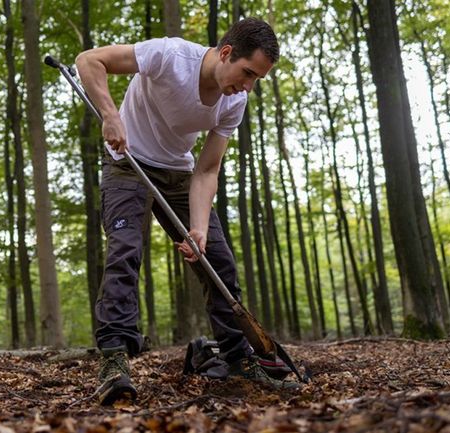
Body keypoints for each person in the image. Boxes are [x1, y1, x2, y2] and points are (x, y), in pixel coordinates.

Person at [75, 17, 289, 406]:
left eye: (256, 79)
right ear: (226, 53)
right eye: (246, 73)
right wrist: (110, 114)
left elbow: (207, 169)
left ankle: (239, 358)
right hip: (128, 163)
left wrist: (199, 228)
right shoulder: (169, 55)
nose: (247, 86)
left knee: (217, 262)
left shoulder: (234, 101)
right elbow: (89, 60)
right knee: (124, 252)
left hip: (179, 172)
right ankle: (114, 360)